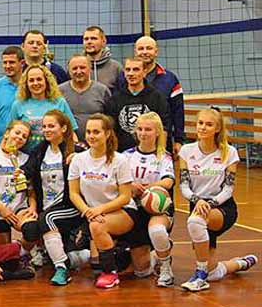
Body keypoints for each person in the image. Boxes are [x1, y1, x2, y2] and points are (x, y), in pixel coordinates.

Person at [178, 108, 258, 292]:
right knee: (213, 272)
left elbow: (228, 189)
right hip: (198, 205)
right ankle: (239, 263)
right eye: (200, 123)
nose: (203, 127)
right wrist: (197, 200)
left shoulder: (229, 152)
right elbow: (184, 186)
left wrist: (210, 203)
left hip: (221, 208)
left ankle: (200, 276)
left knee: (195, 221)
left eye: (209, 124)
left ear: (217, 128)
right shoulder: (186, 151)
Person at [67, 114, 135, 289]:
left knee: (97, 226)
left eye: (96, 132)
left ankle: (110, 273)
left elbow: (125, 197)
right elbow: (74, 193)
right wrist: (87, 211)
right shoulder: (78, 159)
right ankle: (111, 259)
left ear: (107, 134)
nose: (91, 136)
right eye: (88, 132)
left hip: (122, 210)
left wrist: (99, 210)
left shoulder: (120, 160)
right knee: (95, 260)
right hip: (92, 212)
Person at [20, 110, 84, 286]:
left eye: (51, 126)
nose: (46, 130)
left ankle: (61, 268)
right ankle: (60, 256)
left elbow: (95, 158)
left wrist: (81, 158)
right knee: (30, 228)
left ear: (63, 128)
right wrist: (19, 174)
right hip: (46, 207)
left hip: (70, 206)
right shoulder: (40, 150)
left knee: (47, 218)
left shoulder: (76, 151)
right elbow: (27, 171)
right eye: (44, 126)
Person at [123, 112, 177, 287]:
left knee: (157, 230)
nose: (143, 133)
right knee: (141, 271)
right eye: (139, 129)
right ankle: (159, 251)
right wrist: (130, 185)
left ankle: (166, 269)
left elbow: (168, 181)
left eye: (148, 129)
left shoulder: (164, 156)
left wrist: (149, 188)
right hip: (134, 208)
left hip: (157, 208)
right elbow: (117, 181)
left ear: (157, 132)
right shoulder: (126, 156)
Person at [105, 58, 170, 153]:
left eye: (136, 69)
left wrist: (160, 153)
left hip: (151, 154)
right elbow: (111, 131)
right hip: (123, 154)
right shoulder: (115, 99)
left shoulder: (157, 97)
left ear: (145, 72)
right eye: (128, 70)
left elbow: (164, 128)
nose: (131, 73)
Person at [8, 64, 77, 153]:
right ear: (26, 84)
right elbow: (10, 133)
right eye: (31, 80)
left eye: (39, 79)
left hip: (54, 155)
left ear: (46, 81)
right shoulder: (18, 105)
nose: (35, 83)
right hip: (26, 156)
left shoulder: (59, 102)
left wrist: (74, 153)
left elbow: (71, 132)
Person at [135, 36, 185, 151]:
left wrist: (179, 140)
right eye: (141, 49)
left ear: (156, 51)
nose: (145, 52)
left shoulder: (170, 79)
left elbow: (178, 111)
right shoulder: (124, 78)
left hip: (162, 141)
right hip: (133, 140)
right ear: (135, 52)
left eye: (149, 48)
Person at [60, 54, 111, 141]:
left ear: (90, 69)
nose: (78, 71)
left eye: (82, 67)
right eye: (74, 68)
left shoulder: (102, 90)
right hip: (68, 143)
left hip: (97, 143)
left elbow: (110, 119)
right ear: (69, 71)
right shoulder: (59, 91)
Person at [82, 26, 121, 90]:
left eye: (93, 38)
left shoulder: (116, 67)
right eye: (86, 39)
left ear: (103, 42)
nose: (89, 42)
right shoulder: (76, 67)